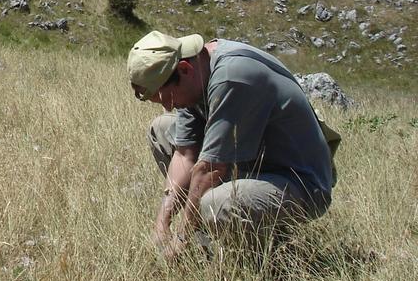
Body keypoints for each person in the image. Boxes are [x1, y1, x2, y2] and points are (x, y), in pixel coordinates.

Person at [127, 30, 334, 260]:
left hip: (300, 183)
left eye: (169, 99)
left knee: (217, 204)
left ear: (184, 70)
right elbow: (185, 154)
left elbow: (211, 169)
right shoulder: (194, 72)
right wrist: (161, 225)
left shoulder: (232, 77)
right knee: (162, 129)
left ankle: (260, 258)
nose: (169, 107)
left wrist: (181, 239)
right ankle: (204, 241)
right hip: (250, 164)